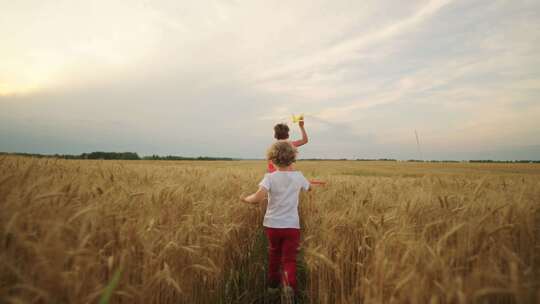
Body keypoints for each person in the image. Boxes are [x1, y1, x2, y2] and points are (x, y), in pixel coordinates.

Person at [241, 141, 311, 297]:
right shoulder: (299, 177)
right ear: (293, 158)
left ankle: (272, 286)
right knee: (289, 258)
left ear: (272, 159)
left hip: (272, 225)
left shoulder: (269, 178)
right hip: (292, 226)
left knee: (274, 255)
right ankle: (289, 285)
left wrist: (246, 199)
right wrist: (303, 182)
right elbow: (310, 188)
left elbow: (258, 197)